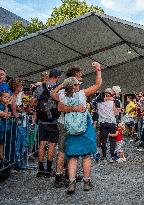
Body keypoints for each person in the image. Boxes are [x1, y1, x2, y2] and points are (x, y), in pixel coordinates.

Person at [58, 62, 102, 194]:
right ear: (76, 85)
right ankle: (86, 182)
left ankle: (71, 184)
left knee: (72, 157)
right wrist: (98, 70)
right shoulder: (83, 94)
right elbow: (97, 85)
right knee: (86, 156)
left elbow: (56, 100)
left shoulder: (62, 95)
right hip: (84, 126)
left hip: (71, 128)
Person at [50, 66, 84, 188]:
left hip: (74, 124)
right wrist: (64, 85)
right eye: (79, 75)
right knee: (62, 151)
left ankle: (70, 174)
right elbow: (58, 103)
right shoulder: (64, 92)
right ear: (73, 77)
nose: (81, 77)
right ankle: (59, 176)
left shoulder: (78, 91)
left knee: (72, 150)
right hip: (64, 124)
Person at [32, 68, 62, 178]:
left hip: (42, 120)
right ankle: (49, 169)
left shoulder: (40, 87)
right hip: (53, 121)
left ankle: (40, 169)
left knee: (42, 144)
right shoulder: (58, 87)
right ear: (57, 77)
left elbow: (33, 101)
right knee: (52, 145)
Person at [97, 88, 118, 162]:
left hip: (103, 123)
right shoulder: (113, 102)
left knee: (104, 140)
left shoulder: (99, 102)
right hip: (111, 122)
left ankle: (104, 156)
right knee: (112, 140)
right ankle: (112, 156)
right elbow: (115, 112)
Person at [0, 91, 12, 166]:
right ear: (0, 98)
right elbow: (4, 115)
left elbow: (8, 115)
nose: (7, 99)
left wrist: (6, 111)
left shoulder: (7, 106)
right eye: (5, 97)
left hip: (5, 128)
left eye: (8, 97)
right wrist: (6, 107)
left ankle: (1, 156)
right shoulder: (1, 105)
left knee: (2, 143)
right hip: (1, 127)